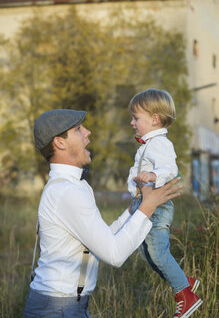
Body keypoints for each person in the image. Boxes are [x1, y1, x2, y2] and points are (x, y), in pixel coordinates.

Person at [24, 108, 182, 318]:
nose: (88, 132)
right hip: (57, 309)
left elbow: (100, 240)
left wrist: (135, 208)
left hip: (65, 306)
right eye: (78, 129)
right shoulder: (67, 191)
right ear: (59, 143)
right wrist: (147, 208)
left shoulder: (73, 186)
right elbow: (114, 254)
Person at [128, 89, 202, 318]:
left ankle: (185, 294)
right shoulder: (147, 145)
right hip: (146, 204)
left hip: (158, 206)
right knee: (147, 253)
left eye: (136, 118)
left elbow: (169, 169)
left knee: (158, 253)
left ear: (154, 119)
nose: (132, 123)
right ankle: (184, 280)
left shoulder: (160, 143)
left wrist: (153, 176)